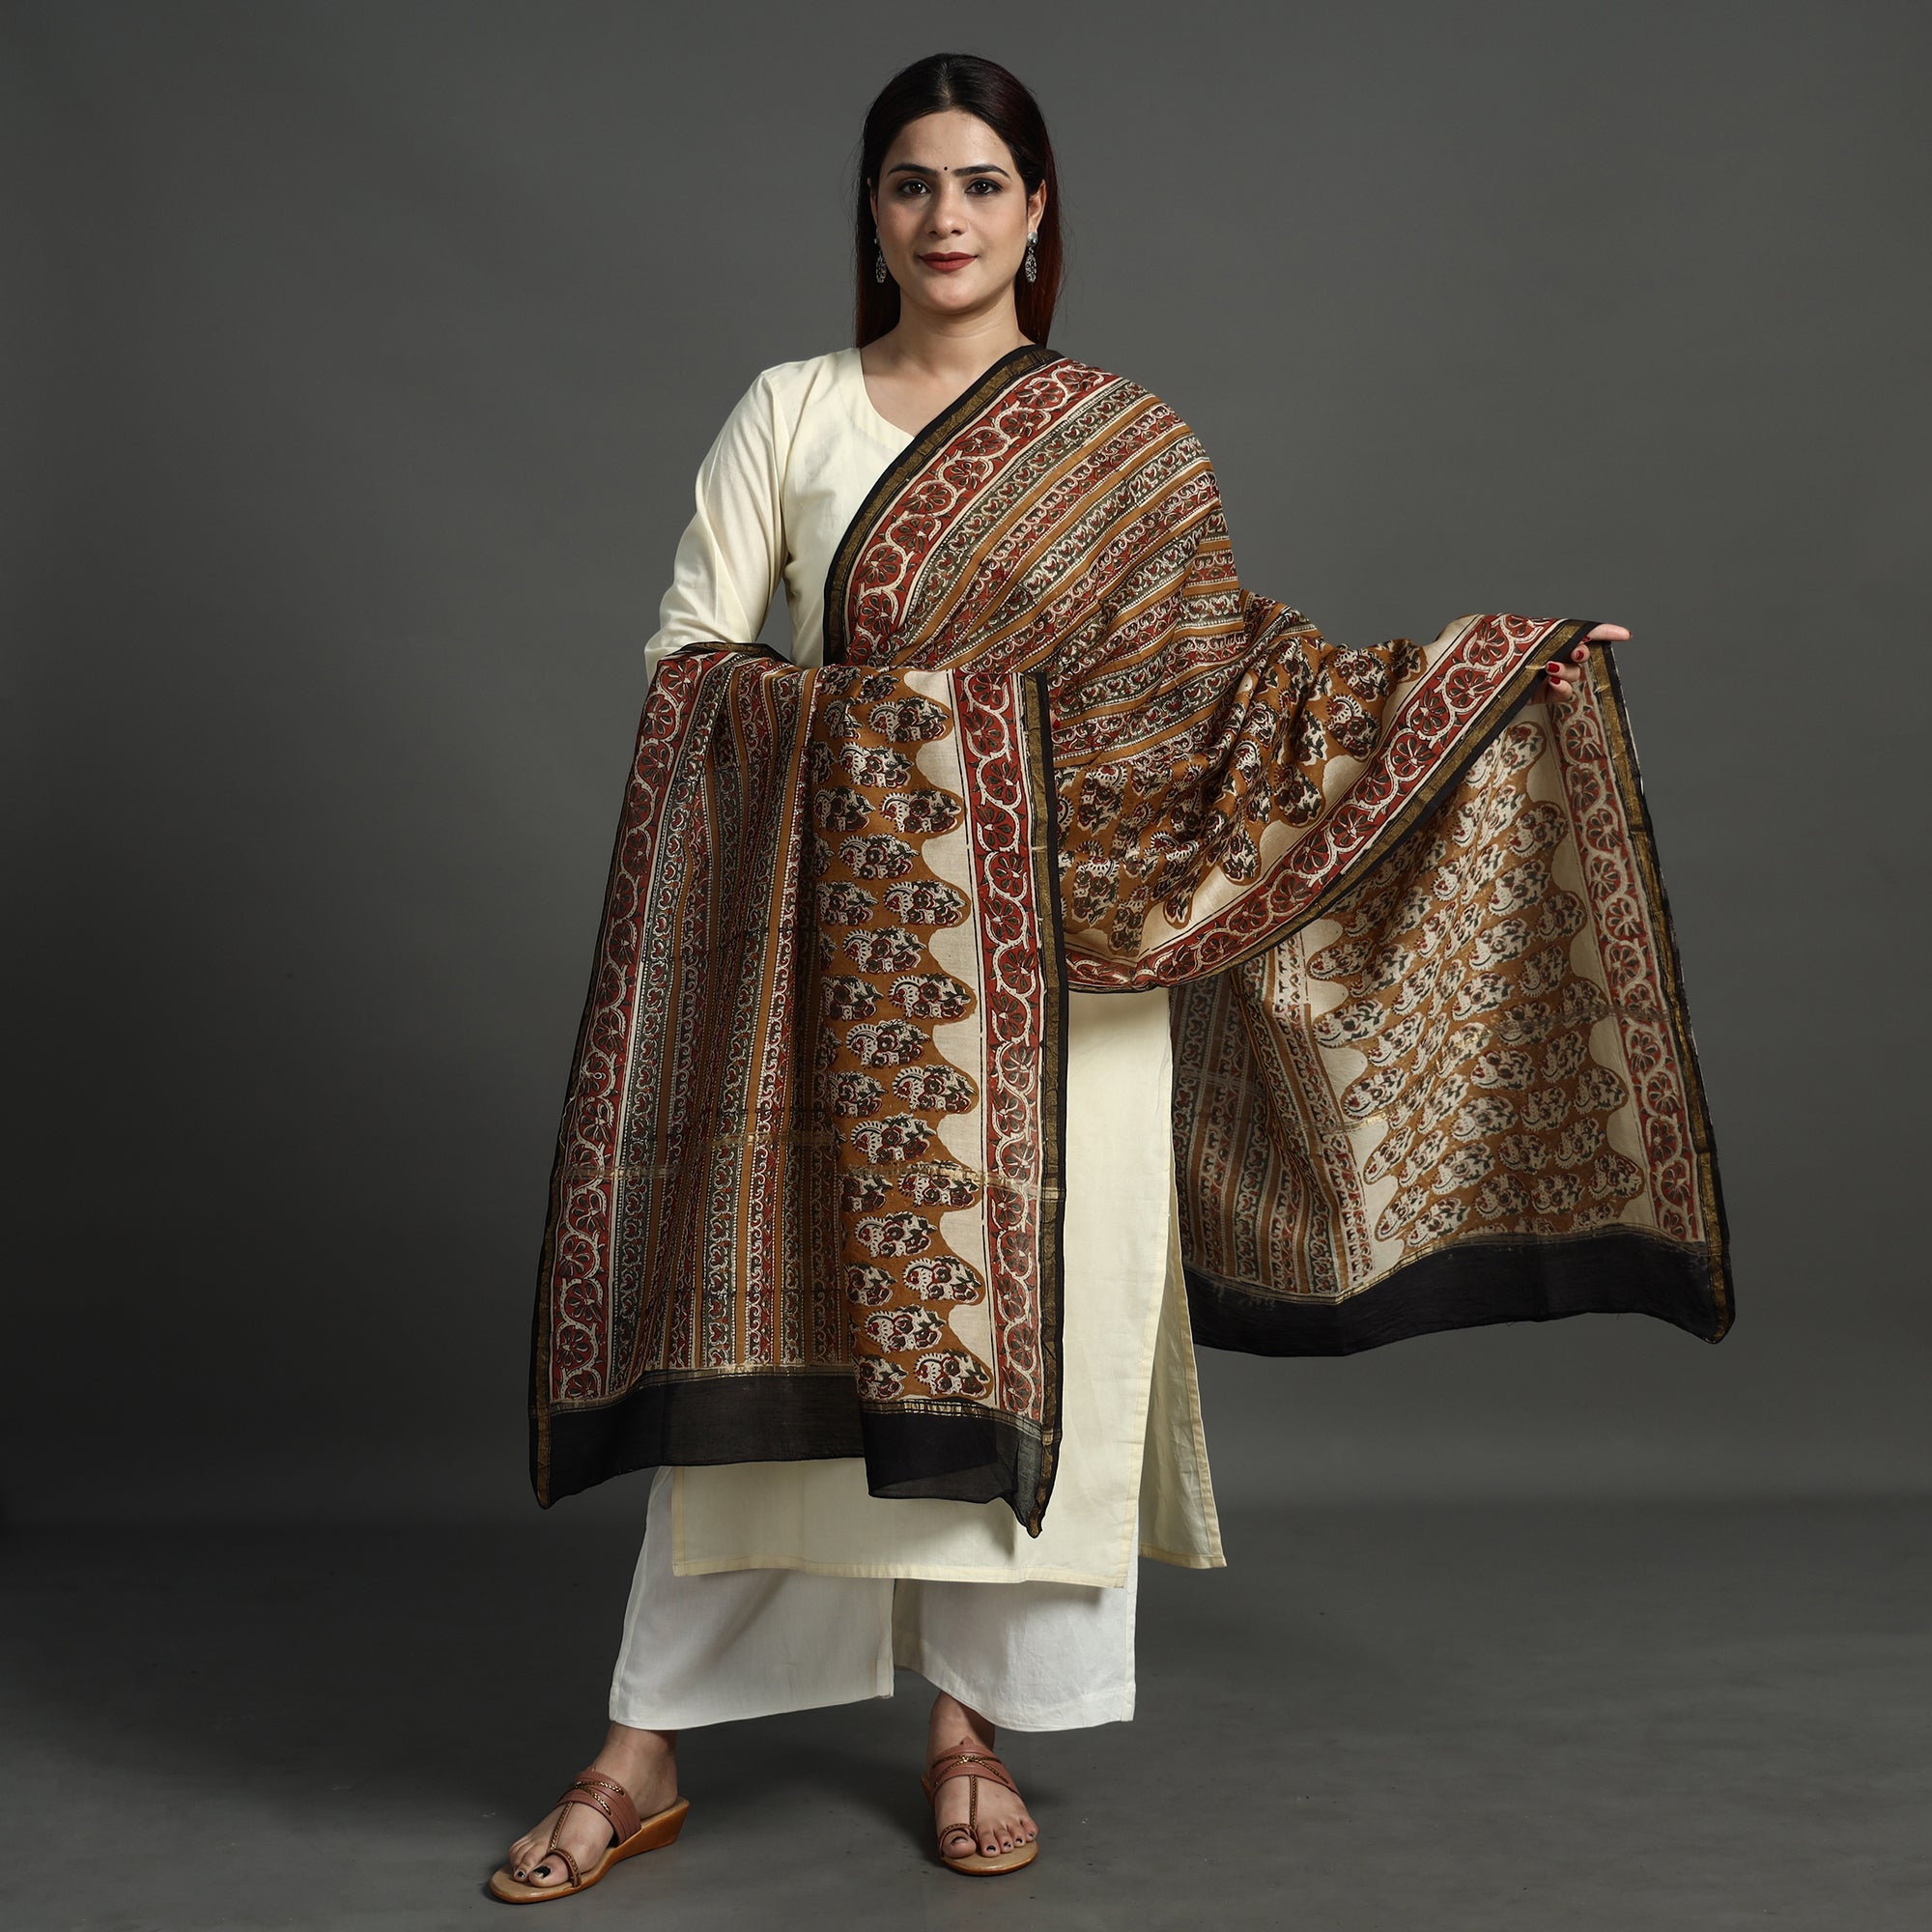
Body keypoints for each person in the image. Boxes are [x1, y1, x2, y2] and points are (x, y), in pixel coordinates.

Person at [494, 51, 1727, 1904]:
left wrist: (1490, 677)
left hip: (1078, 979)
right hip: (847, 972)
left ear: (1038, 212)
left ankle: (973, 1730)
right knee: (775, 1361)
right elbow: (690, 665)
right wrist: (900, 760)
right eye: (912, 184)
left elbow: (1235, 696)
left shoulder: (1127, 445)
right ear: (873, 215)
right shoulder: (792, 409)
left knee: (1042, 1340)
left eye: (982, 183)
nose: (947, 218)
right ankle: (641, 1744)